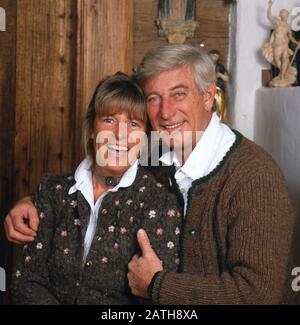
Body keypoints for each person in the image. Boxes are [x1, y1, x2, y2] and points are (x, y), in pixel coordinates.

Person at [5, 45, 294, 305]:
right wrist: (32, 201)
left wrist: (158, 285)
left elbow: (258, 295)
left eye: (179, 94)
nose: (166, 112)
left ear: (208, 96)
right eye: (154, 98)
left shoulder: (255, 176)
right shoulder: (157, 160)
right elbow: (89, 182)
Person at [10, 72, 182, 305]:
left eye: (133, 124)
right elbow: (26, 283)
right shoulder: (52, 191)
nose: (120, 136)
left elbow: (155, 302)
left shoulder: (160, 204)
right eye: (109, 120)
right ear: (92, 129)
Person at [262, 0, 300, 87]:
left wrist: (297, 43)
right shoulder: (277, 22)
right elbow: (269, 16)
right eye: (284, 15)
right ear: (282, 16)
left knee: (285, 60)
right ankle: (282, 73)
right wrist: (270, 6)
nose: (286, 16)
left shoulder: (288, 26)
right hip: (277, 46)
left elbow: (290, 37)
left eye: (286, 15)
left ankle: (282, 76)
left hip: (284, 46)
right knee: (277, 60)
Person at [209, 49, 229, 123]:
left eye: (216, 57)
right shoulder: (204, 67)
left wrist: (220, 75)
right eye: (213, 56)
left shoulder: (220, 67)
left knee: (220, 108)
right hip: (207, 91)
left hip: (218, 90)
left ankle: (220, 123)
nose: (214, 58)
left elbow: (227, 79)